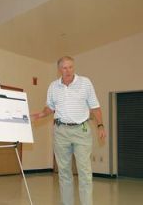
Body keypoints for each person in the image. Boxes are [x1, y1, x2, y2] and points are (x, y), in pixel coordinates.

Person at [32, 56, 106, 205]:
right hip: (61, 132)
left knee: (84, 172)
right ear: (60, 69)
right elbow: (50, 108)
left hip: (81, 131)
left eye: (71, 67)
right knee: (64, 173)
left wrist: (100, 125)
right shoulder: (53, 86)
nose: (68, 70)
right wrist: (41, 114)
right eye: (65, 68)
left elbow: (95, 107)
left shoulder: (85, 83)